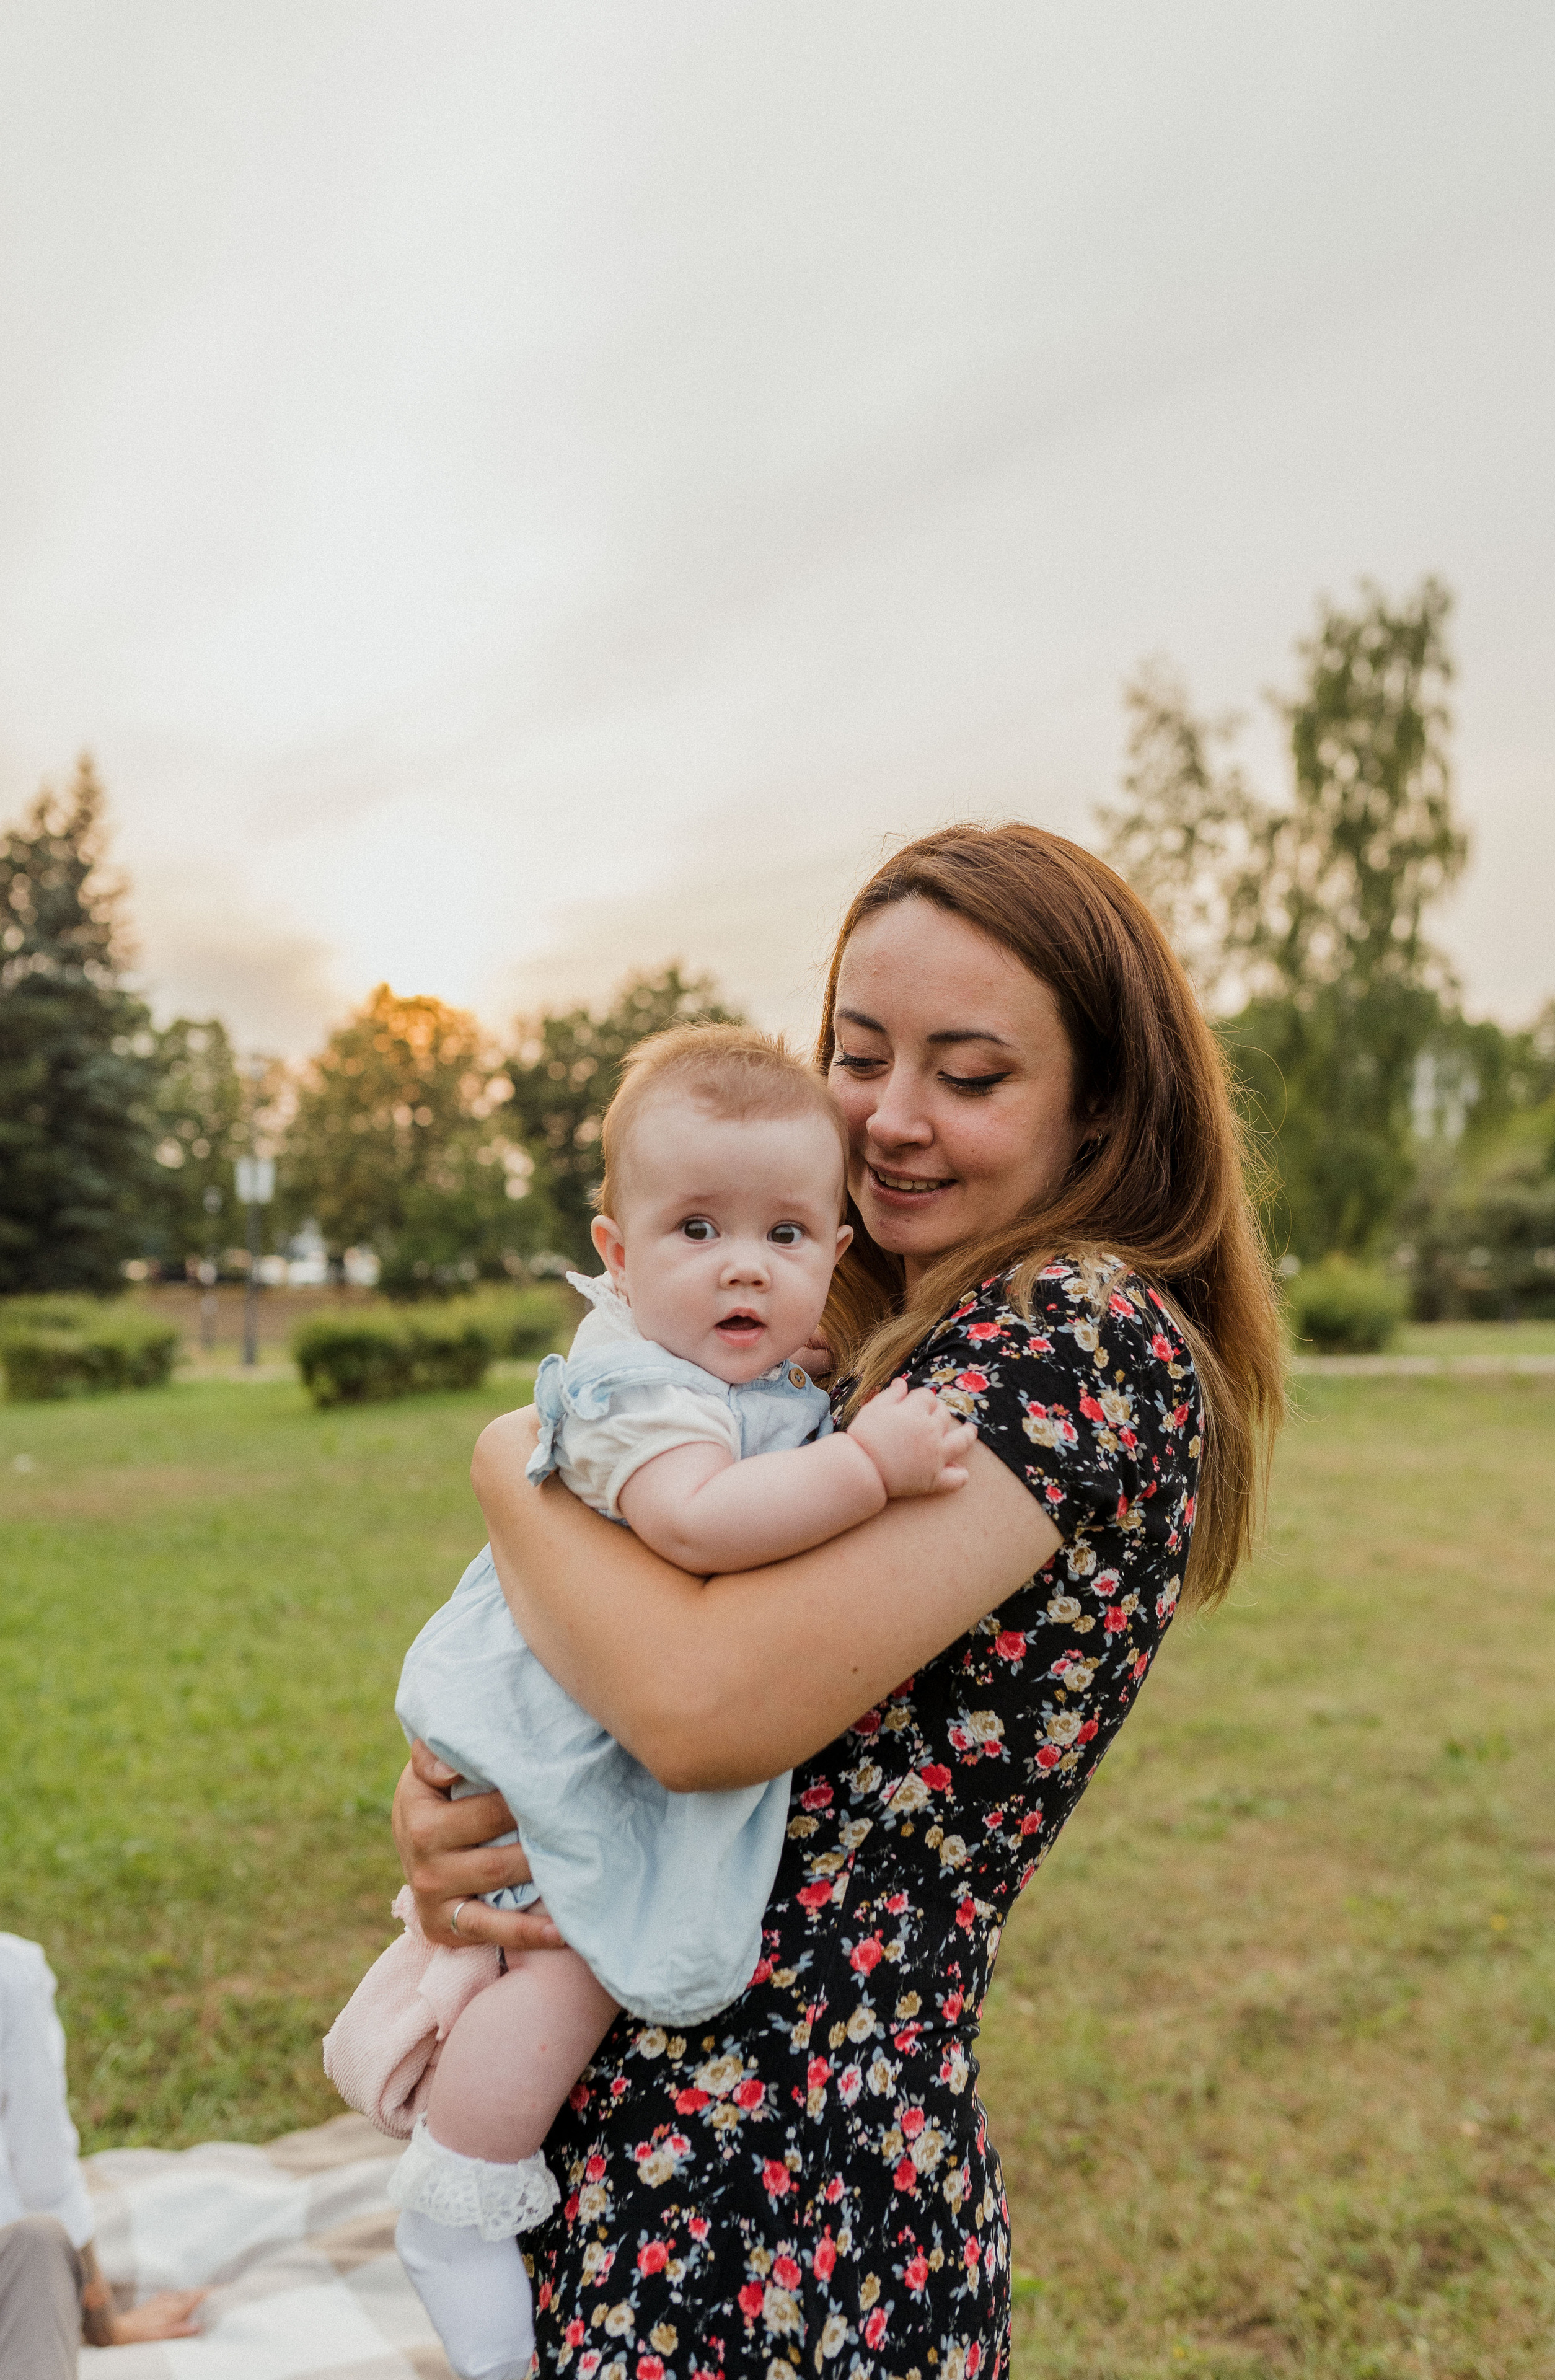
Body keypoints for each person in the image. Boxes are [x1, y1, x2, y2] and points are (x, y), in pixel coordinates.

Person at [393, 824, 1286, 2379]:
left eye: (970, 1071)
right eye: (858, 1053)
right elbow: (632, 1652)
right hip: (660, 2126)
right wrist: (478, 1815)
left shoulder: (1074, 1334)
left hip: (787, 2192)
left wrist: (500, 1457)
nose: (888, 1115)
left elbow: (698, 1707)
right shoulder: (868, 1351)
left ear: (1099, 1101)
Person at [329, 1029, 973, 2380]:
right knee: (566, 1956)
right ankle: (461, 2184)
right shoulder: (634, 1388)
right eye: (696, 1228)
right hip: (571, 1734)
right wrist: (870, 1470)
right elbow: (695, 1525)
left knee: (565, 1941)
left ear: (834, 1251)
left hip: (608, 1728)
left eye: (786, 1232)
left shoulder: (762, 1381)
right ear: (616, 1256)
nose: (743, 1263)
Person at [0, 1934, 205, 2374]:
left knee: (38, 2244)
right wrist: (105, 2326)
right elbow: (45, 2177)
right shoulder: (9, 1974)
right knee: (39, 2244)